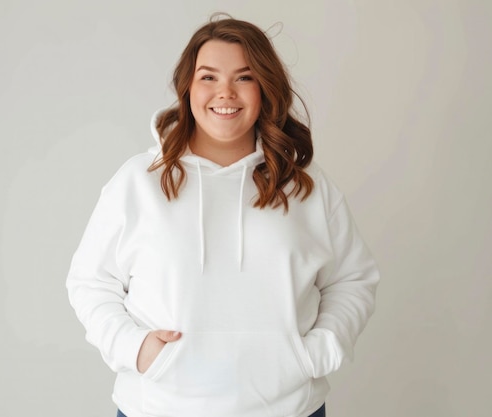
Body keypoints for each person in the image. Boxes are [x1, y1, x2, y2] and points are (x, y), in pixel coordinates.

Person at [66, 15, 379, 417]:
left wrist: (315, 354)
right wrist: (137, 349)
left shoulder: (304, 186)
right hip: (159, 408)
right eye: (209, 77)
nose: (225, 93)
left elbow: (353, 279)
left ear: (265, 88)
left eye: (244, 78)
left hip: (288, 409)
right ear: (188, 88)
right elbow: (90, 283)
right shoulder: (138, 182)